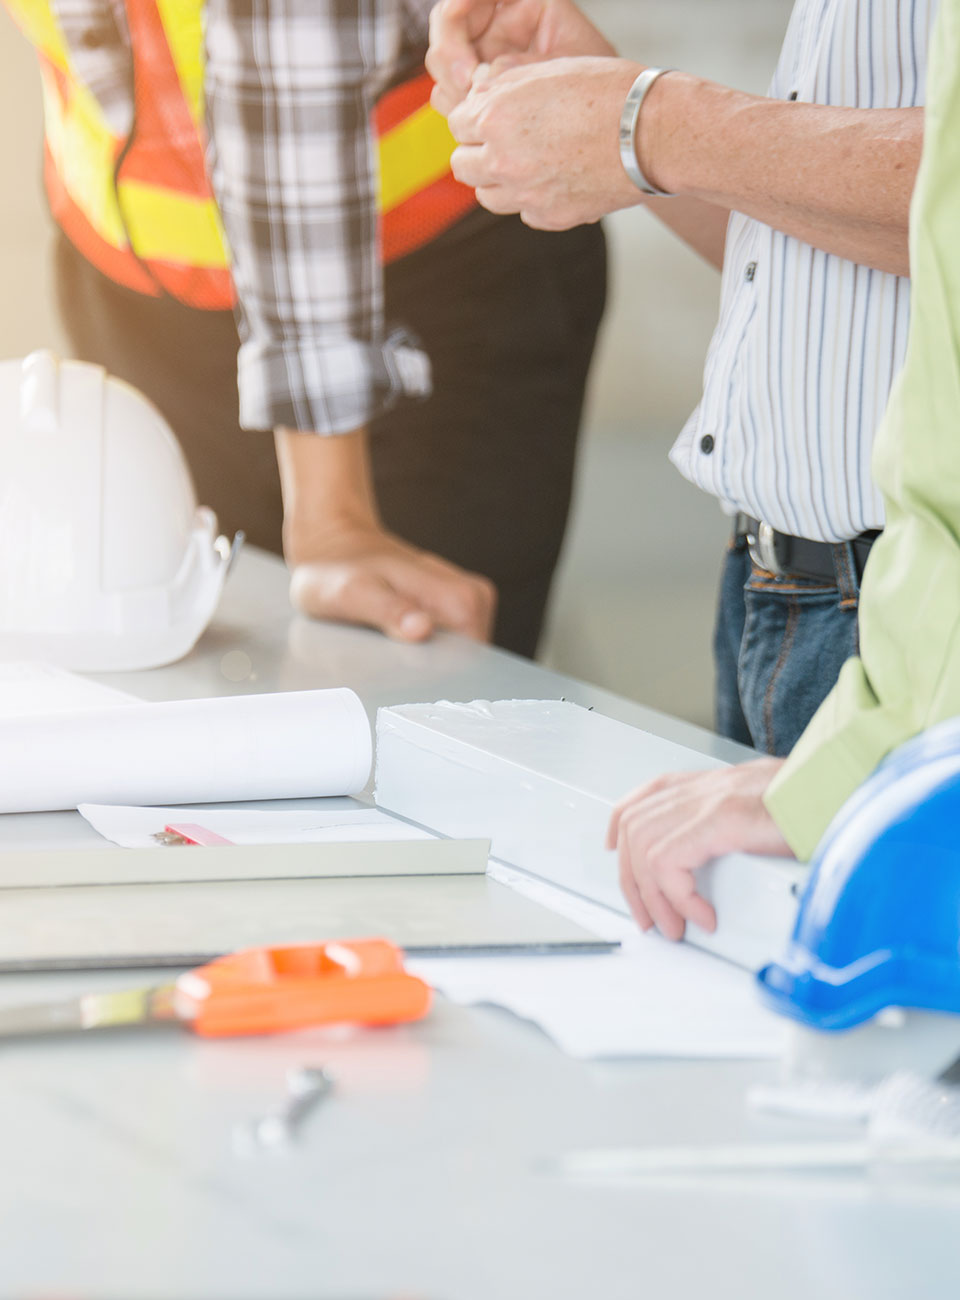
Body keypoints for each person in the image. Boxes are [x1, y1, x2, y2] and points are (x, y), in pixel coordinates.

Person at [4, 0, 606, 657]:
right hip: (140, 299)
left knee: (405, 704)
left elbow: (284, 48)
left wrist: (332, 513)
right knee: (181, 679)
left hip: (415, 303)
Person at [428, 0, 933, 718]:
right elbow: (831, 265)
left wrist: (655, 124)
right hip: (781, 594)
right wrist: (616, 123)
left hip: (908, 610)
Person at [604, 0, 960, 940]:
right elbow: (863, 250)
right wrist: (634, 139)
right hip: (785, 603)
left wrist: (655, 126)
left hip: (907, 647)